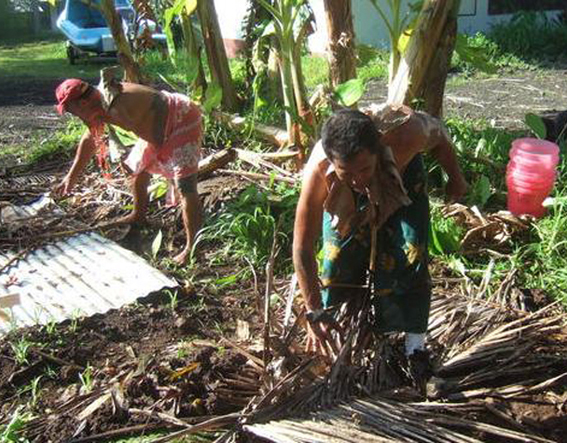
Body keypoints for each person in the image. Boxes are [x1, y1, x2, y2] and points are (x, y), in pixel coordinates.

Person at [293, 104, 468, 360]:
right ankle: (341, 332)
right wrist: (314, 311)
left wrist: (455, 177)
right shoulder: (319, 171)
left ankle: (414, 348)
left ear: (377, 147)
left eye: (363, 169)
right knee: (336, 256)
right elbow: (302, 246)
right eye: (348, 173)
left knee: (410, 250)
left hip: (400, 173)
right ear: (332, 163)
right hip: (342, 191)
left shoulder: (409, 134)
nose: (358, 179)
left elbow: (440, 136)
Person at [53, 72, 203, 264]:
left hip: (182, 118)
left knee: (185, 187)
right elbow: (90, 138)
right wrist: (71, 177)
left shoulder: (115, 105)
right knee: (137, 170)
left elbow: (104, 130)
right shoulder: (100, 102)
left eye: (72, 111)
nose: (76, 117)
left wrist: (162, 154)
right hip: (157, 129)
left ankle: (193, 248)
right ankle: (138, 216)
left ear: (82, 104)